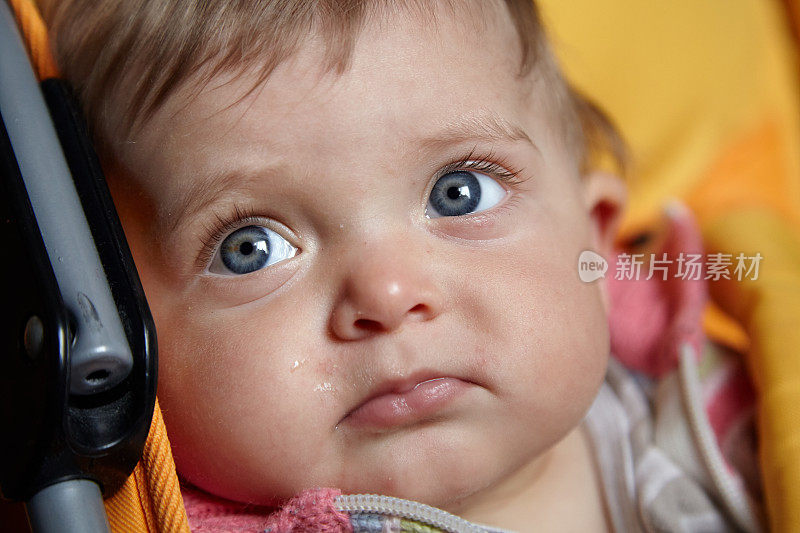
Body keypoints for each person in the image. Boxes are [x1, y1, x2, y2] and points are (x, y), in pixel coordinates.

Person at [35, 1, 761, 530]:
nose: (386, 293)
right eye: (249, 247)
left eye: (459, 193)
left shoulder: (729, 406)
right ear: (131, 324)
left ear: (596, 246)